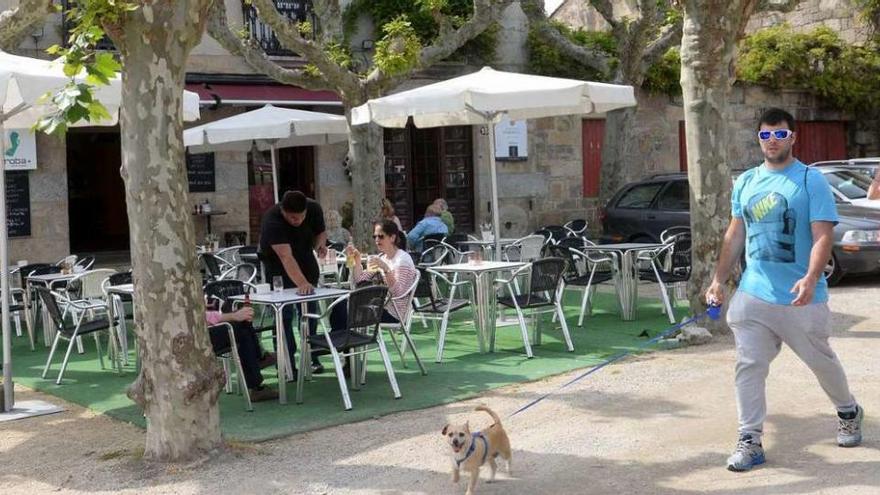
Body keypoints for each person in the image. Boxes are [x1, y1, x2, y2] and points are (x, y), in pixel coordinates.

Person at [705, 108, 863, 472]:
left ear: (793, 137)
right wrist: (718, 279)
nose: (772, 141)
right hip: (753, 294)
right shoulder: (745, 182)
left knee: (821, 363)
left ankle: (848, 410)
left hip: (800, 297)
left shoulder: (810, 181)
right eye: (765, 135)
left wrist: (810, 278)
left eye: (779, 134)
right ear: (758, 139)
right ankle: (750, 439)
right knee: (749, 365)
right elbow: (735, 234)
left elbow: (824, 235)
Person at [259, 190, 328, 376]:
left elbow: (321, 232)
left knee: (310, 314)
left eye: (301, 217)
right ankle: (286, 363)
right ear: (282, 210)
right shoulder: (272, 220)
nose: (297, 221)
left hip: (306, 261)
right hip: (278, 269)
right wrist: (302, 283)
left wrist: (321, 244)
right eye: (292, 218)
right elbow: (285, 256)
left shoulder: (314, 208)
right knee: (284, 316)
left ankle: (311, 357)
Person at [332, 220, 417, 331]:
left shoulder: (402, 260)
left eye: (381, 236)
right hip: (378, 306)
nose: (377, 240)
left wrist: (385, 269)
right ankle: (340, 342)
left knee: (342, 307)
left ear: (392, 237)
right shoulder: (381, 257)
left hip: (394, 313)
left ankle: (340, 343)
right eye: (375, 236)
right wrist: (355, 260)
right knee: (339, 303)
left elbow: (398, 293)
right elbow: (360, 281)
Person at [205, 306, 278, 402]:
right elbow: (202, 319)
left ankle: (258, 363)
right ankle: (258, 365)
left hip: (202, 333)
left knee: (242, 323)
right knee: (241, 327)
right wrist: (234, 316)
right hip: (200, 339)